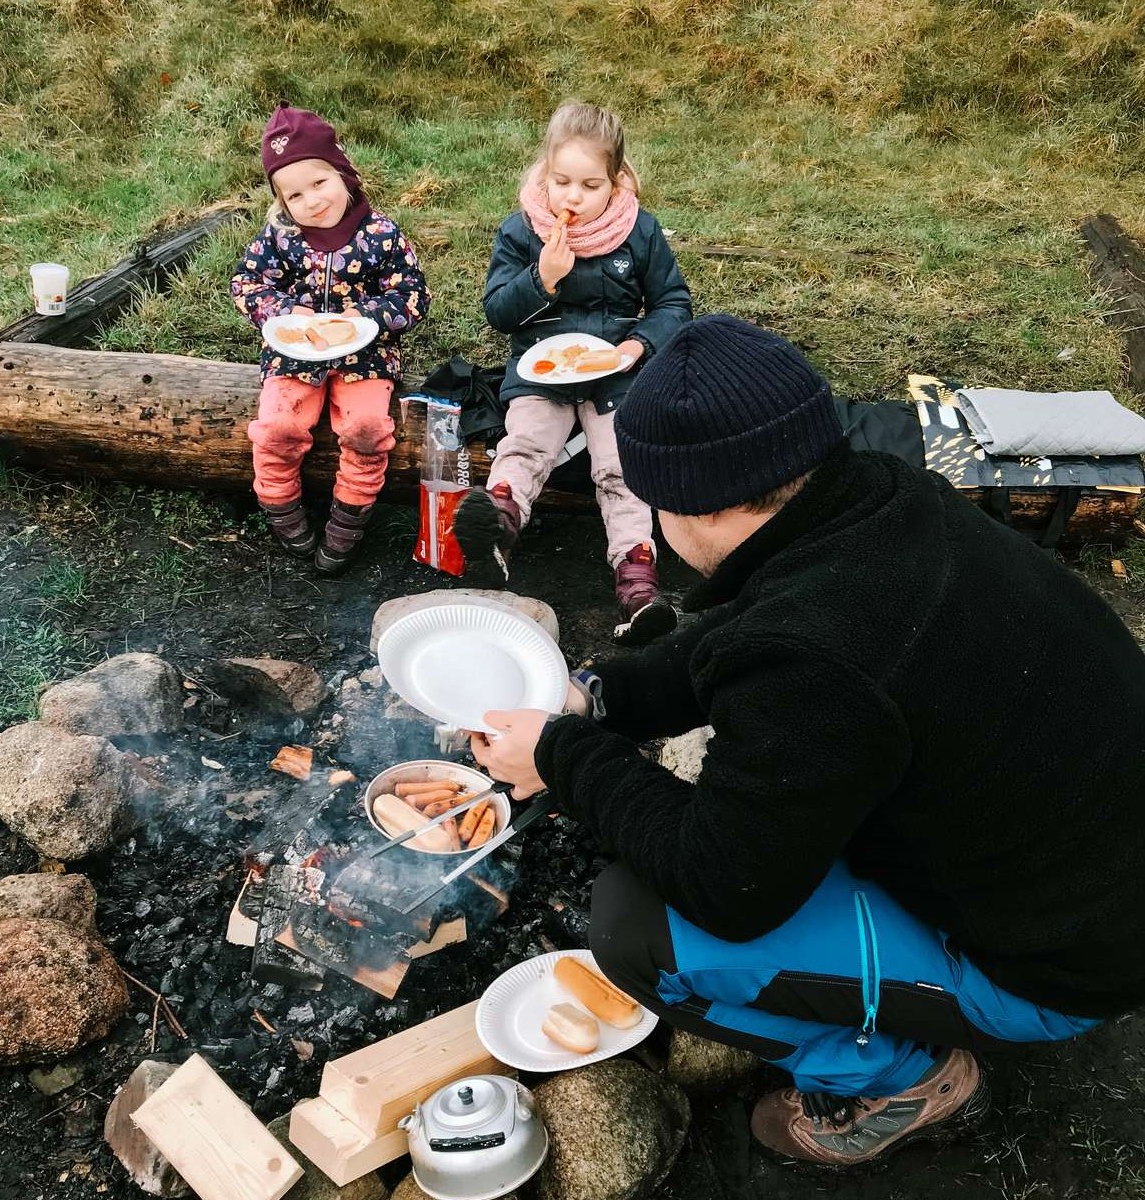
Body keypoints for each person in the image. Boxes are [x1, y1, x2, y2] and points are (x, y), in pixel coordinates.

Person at [470, 314, 1145, 1169]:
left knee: (637, 925)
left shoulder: (817, 661)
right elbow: (744, 637)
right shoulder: (881, 500)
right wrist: (595, 698)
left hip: (1063, 962)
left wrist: (563, 757)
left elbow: (731, 885)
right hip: (1089, 853)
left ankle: (900, 1082)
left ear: (693, 502)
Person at [454, 101, 692, 645]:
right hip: (542, 364)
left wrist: (638, 345)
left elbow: (673, 304)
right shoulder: (522, 230)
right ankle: (497, 524)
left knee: (622, 465)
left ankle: (637, 581)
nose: (573, 197)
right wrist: (542, 277)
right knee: (527, 442)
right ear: (544, 173)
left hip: (614, 371)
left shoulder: (639, 232)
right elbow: (497, 313)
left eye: (590, 185)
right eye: (562, 181)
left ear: (618, 181)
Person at [231, 102, 429, 575]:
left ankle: (349, 514)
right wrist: (280, 311)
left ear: (344, 173)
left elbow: (414, 294)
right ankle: (280, 506)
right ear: (281, 202)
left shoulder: (379, 235)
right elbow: (245, 284)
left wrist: (368, 316)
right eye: (295, 195)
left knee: (366, 430)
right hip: (293, 354)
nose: (312, 201)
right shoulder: (279, 238)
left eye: (320, 183)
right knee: (277, 428)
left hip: (367, 355)